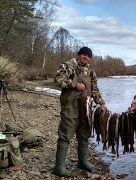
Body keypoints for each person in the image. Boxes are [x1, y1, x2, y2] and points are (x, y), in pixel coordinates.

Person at [52, 46, 105, 177]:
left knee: (84, 132)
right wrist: (74, 84)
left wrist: (101, 103)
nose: (86, 57)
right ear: (78, 55)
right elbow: (58, 80)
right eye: (84, 55)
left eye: (88, 56)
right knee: (65, 133)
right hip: (70, 105)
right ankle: (58, 167)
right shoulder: (68, 66)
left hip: (85, 107)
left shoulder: (91, 72)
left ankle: (82, 161)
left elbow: (95, 91)